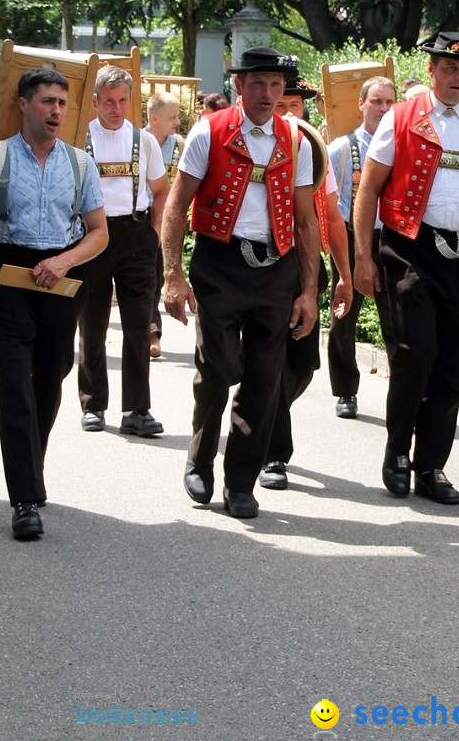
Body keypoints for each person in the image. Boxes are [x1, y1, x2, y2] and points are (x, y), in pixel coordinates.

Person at [353, 32, 459, 505]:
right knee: (415, 352)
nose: (458, 78)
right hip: (410, 248)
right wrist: (363, 256)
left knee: (451, 367)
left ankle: (431, 466)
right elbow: (368, 190)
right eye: (449, 69)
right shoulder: (402, 118)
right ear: (432, 71)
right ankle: (397, 452)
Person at [162, 47, 321, 519]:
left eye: (276, 85)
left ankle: (240, 482)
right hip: (220, 264)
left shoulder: (295, 141)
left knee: (263, 378)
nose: (268, 94)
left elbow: (308, 221)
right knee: (218, 367)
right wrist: (172, 275)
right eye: (258, 84)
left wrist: (309, 290)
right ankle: (199, 454)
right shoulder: (207, 132)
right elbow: (176, 205)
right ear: (239, 86)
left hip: (277, 269)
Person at [0, 67, 108, 541]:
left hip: (59, 279)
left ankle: (31, 463)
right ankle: (24, 497)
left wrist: (64, 261)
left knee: (53, 372)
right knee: (15, 386)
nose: (56, 110)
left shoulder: (81, 164)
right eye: (46, 101)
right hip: (8, 273)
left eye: (61, 103)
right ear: (24, 105)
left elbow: (99, 233)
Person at [259, 77, 353, 491]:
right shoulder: (252, 146)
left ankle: (258, 410)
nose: (287, 112)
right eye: (281, 104)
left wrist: (344, 276)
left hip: (304, 265)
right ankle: (275, 451)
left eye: (293, 104)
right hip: (261, 263)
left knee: (300, 365)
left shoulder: (315, 154)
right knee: (271, 360)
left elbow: (332, 217)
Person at [78, 65, 169, 437]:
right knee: (93, 322)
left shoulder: (144, 141)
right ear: (96, 101)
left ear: (130, 101)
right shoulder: (80, 140)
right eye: (108, 101)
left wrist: (154, 233)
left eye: (122, 101)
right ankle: (93, 404)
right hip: (92, 235)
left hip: (135, 234)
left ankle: (136, 409)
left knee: (137, 325)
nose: (116, 108)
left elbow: (162, 190)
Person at [326, 76, 397, 419]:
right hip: (350, 235)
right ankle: (345, 390)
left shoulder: (402, 145)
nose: (383, 109)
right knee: (344, 313)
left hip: (392, 238)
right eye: (376, 102)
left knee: (398, 316)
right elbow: (327, 200)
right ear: (361, 104)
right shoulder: (342, 147)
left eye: (388, 103)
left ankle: (403, 390)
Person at [144, 91, 183, 359]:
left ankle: (150, 330)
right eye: (172, 117)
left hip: (169, 219)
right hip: (140, 218)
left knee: (157, 276)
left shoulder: (179, 145)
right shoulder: (136, 142)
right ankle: (150, 332)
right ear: (154, 118)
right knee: (146, 278)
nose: (178, 122)